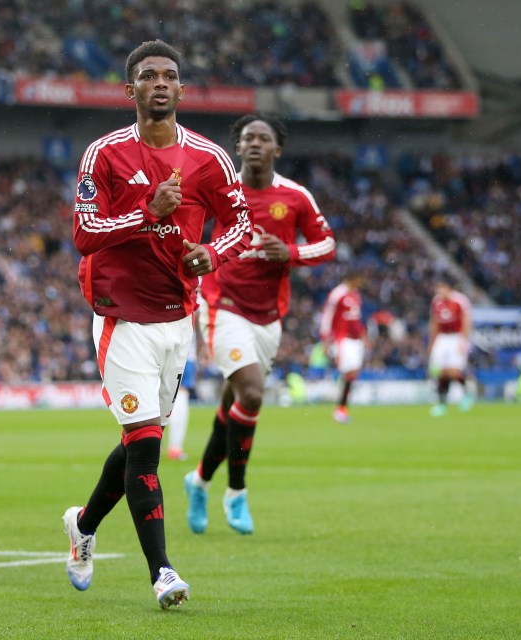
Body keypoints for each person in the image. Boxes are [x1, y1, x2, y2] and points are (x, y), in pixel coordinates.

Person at [61, 40, 252, 610]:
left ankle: (83, 524)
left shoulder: (210, 159)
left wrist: (212, 255)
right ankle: (163, 572)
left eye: (170, 76)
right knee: (145, 447)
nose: (160, 84)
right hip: (121, 317)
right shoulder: (105, 154)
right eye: (148, 76)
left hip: (179, 318)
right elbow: (84, 232)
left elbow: (240, 222)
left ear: (182, 89)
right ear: (131, 91)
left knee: (138, 442)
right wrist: (149, 213)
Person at [184, 112, 336, 536]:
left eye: (263, 138)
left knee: (234, 405)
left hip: (268, 316)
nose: (254, 143)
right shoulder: (219, 189)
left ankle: (198, 481)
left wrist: (290, 252)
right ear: (237, 147)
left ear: (277, 149)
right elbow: (189, 228)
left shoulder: (295, 196)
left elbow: (326, 243)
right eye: (247, 137)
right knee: (252, 393)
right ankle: (236, 491)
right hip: (222, 304)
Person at [320, 272, 366, 424]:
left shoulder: (356, 295)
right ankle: (340, 408)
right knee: (349, 372)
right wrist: (325, 339)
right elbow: (328, 316)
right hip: (342, 338)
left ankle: (341, 407)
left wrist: (363, 335)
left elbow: (356, 319)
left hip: (356, 340)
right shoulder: (338, 293)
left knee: (353, 373)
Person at [427, 281, 475, 416]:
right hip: (442, 338)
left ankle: (467, 393)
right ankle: (442, 403)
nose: (439, 292)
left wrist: (464, 340)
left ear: (448, 288)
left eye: (441, 289)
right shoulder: (436, 302)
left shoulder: (460, 300)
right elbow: (434, 322)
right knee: (440, 372)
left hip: (456, 337)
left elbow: (466, 321)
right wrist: (432, 342)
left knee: (453, 371)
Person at [166, 335, 196, 461]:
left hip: (168, 349)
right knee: (180, 395)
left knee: (163, 397)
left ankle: (153, 442)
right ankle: (175, 447)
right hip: (181, 350)